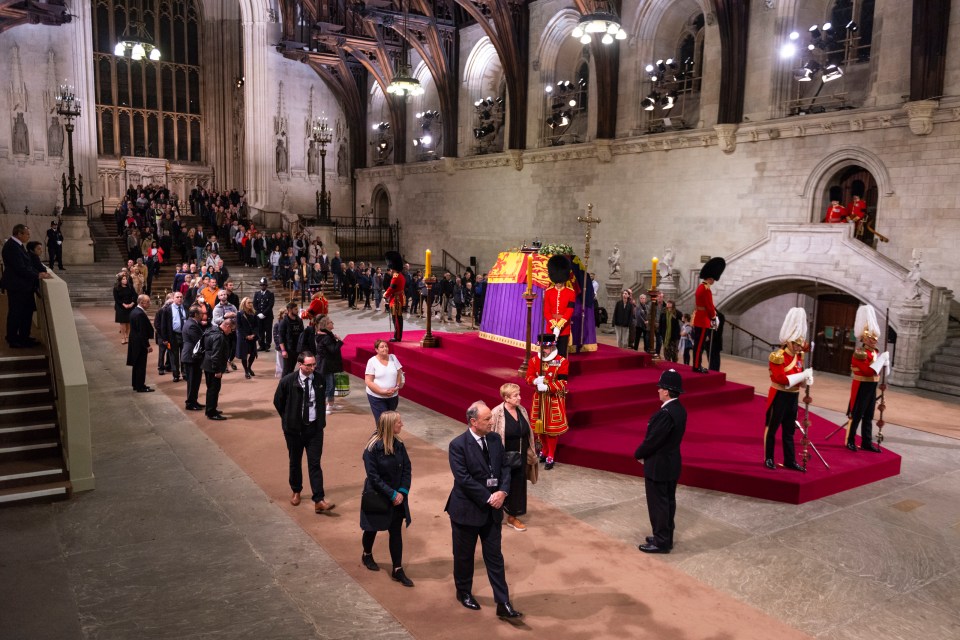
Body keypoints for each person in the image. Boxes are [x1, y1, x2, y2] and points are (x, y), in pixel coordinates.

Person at [444, 401, 522, 620]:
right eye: (487, 419)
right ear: (473, 422)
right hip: (466, 511)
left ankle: (503, 602)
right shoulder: (458, 445)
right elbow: (463, 479)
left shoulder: (496, 439)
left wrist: (503, 492)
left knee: (495, 557)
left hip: (492, 511)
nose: (492, 422)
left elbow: (505, 467)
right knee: (464, 557)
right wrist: (489, 497)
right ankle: (464, 592)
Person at [273, 351, 335, 513]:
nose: (312, 368)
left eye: (314, 364)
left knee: (315, 463)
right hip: (294, 430)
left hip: (314, 428)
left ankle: (319, 499)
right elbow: (278, 401)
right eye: (309, 365)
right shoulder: (288, 381)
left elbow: (320, 402)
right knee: (295, 461)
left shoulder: (319, 379)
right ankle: (296, 491)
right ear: (300, 365)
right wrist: (289, 418)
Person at [635, 369, 687, 554]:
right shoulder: (679, 409)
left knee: (659, 504)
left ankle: (661, 541)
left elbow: (653, 440)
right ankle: (665, 536)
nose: (657, 391)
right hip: (671, 463)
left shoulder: (665, 414)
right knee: (668, 502)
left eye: (660, 388)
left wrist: (639, 453)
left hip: (659, 466)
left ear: (666, 391)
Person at [360, 411, 414, 587]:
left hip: (398, 497)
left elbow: (407, 468)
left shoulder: (399, 444)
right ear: (391, 425)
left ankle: (397, 569)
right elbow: (374, 477)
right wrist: (392, 494)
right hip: (378, 496)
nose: (402, 424)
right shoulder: (372, 448)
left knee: (396, 532)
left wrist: (402, 492)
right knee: (372, 529)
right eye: (399, 422)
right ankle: (367, 554)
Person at [764, 307, 814, 471]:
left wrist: (806, 380)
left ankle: (790, 460)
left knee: (789, 430)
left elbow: (797, 380)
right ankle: (769, 458)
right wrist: (802, 376)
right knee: (772, 429)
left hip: (793, 396)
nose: (799, 347)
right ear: (788, 342)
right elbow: (781, 379)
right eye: (796, 344)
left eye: (800, 345)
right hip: (779, 394)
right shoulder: (778, 356)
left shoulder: (798, 357)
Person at [490, 383, 537, 532]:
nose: (519, 398)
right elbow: (489, 434)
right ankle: (494, 512)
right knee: (501, 483)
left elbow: (527, 432)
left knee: (518, 484)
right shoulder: (497, 412)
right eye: (515, 395)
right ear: (506, 398)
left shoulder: (522, 410)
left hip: (520, 455)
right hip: (503, 455)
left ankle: (512, 516)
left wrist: (531, 450)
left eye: (519, 394)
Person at [845, 304, 889, 453]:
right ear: (864, 338)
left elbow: (878, 372)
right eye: (871, 338)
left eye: (875, 337)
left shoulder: (875, 352)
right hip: (861, 385)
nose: (874, 340)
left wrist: (885, 363)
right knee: (856, 414)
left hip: (872, 386)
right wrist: (882, 360)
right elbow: (867, 371)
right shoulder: (860, 353)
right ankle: (850, 440)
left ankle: (866, 442)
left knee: (869, 415)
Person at [524, 333, 569, 470]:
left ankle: (551, 455)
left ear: (553, 347)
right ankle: (543, 451)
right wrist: (534, 380)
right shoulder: (533, 361)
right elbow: (528, 377)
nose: (544, 350)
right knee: (540, 428)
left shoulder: (562, 361)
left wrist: (548, 387)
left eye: (546, 348)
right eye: (542, 347)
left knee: (551, 430)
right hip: (539, 398)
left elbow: (563, 382)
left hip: (553, 399)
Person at [2, 224, 51, 348]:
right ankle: (13, 339)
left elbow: (26, 265)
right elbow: (20, 268)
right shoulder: (12, 247)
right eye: (27, 234)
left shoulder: (17, 245)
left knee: (26, 312)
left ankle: (24, 337)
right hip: (18, 286)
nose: (29, 236)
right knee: (16, 313)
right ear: (19, 234)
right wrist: (38, 275)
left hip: (23, 285)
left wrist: (37, 273)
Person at [691, 257, 725, 373]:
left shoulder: (701, 287)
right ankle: (696, 366)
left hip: (699, 318)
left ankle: (696, 364)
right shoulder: (706, 289)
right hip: (703, 319)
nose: (713, 282)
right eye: (713, 280)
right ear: (710, 278)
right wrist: (713, 317)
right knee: (699, 345)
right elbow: (709, 306)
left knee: (698, 344)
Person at [201, 316, 234, 420]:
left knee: (212, 389)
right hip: (213, 367)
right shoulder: (219, 336)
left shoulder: (211, 330)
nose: (232, 332)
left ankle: (212, 409)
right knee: (213, 390)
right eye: (232, 329)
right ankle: (211, 412)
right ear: (227, 326)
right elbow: (215, 355)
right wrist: (217, 370)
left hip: (207, 364)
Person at [364, 339, 404, 426]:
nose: (385, 349)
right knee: (382, 421)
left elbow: (399, 373)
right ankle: (381, 438)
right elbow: (368, 381)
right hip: (376, 397)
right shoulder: (372, 361)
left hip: (393, 396)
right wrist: (382, 392)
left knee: (390, 421)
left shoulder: (393, 357)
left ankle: (389, 438)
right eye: (382, 347)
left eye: (386, 346)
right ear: (376, 350)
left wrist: (397, 387)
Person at [543, 255, 575, 357]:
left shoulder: (571, 292)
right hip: (550, 326)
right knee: (549, 352)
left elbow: (570, 310)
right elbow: (546, 310)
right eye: (557, 282)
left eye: (560, 282)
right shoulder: (548, 292)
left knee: (561, 353)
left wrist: (560, 324)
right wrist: (553, 323)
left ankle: (560, 372)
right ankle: (551, 371)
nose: (558, 284)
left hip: (564, 327)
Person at [315, 315, 344, 414]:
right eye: (331, 322)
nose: (333, 323)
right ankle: (321, 404)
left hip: (328, 364)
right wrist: (339, 341)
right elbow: (333, 350)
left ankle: (330, 403)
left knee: (332, 384)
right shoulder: (326, 337)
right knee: (329, 385)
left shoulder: (328, 335)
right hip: (326, 365)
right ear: (326, 325)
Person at [126, 294, 155, 393]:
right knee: (141, 366)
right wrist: (147, 345)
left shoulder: (135, 311)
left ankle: (136, 384)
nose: (149, 303)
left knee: (136, 365)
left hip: (135, 342)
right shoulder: (140, 314)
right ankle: (140, 386)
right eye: (148, 302)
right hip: (139, 344)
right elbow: (142, 332)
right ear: (142, 303)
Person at [180, 305, 206, 411]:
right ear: (195, 314)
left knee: (196, 381)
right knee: (192, 382)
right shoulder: (191, 325)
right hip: (191, 356)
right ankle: (190, 403)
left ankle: (194, 401)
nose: (203, 315)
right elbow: (199, 340)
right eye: (201, 314)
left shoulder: (193, 323)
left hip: (193, 356)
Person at [159, 291, 186, 382]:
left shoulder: (186, 308)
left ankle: (184, 373)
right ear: (173, 298)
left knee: (184, 355)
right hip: (173, 335)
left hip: (184, 335)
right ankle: (176, 375)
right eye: (177, 297)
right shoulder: (167, 310)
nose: (179, 299)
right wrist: (165, 338)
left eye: (181, 297)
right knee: (174, 356)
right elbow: (163, 325)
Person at [383, 251, 406, 342]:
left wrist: (385, 295)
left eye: (391, 268)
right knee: (397, 318)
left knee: (396, 319)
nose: (390, 270)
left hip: (396, 300)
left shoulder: (396, 277)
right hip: (398, 298)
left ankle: (397, 337)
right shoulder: (400, 275)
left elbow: (391, 288)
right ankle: (397, 335)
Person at [278, 302, 304, 377]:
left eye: (297, 309)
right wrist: (283, 350)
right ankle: (282, 386)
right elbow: (281, 337)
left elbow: (302, 334)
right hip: (288, 349)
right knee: (286, 369)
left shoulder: (299, 321)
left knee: (292, 369)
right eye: (295, 309)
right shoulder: (284, 322)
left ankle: (289, 385)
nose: (297, 311)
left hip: (297, 349)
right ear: (289, 310)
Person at [236, 297, 259, 379]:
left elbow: (256, 325)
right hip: (243, 338)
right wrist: (246, 336)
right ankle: (246, 371)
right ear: (244, 304)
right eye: (248, 303)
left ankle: (249, 367)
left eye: (251, 302)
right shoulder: (240, 314)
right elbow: (239, 327)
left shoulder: (254, 313)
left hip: (252, 337)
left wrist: (253, 334)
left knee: (253, 354)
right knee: (244, 355)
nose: (250, 304)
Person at [113, 273, 137, 344]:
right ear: (120, 280)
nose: (125, 280)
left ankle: (127, 336)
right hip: (120, 306)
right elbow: (116, 299)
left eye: (126, 279)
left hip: (130, 305)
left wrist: (132, 303)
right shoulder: (116, 288)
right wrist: (124, 304)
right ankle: (123, 337)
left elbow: (135, 296)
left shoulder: (130, 287)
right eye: (123, 279)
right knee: (122, 322)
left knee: (129, 322)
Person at [253, 277, 275, 351]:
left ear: (266, 285)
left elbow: (270, 305)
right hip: (259, 316)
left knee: (268, 331)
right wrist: (259, 313)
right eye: (262, 285)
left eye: (264, 285)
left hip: (268, 316)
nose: (263, 286)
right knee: (260, 331)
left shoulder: (270, 294)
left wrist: (264, 313)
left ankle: (267, 345)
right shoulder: (257, 294)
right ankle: (261, 345)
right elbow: (255, 305)